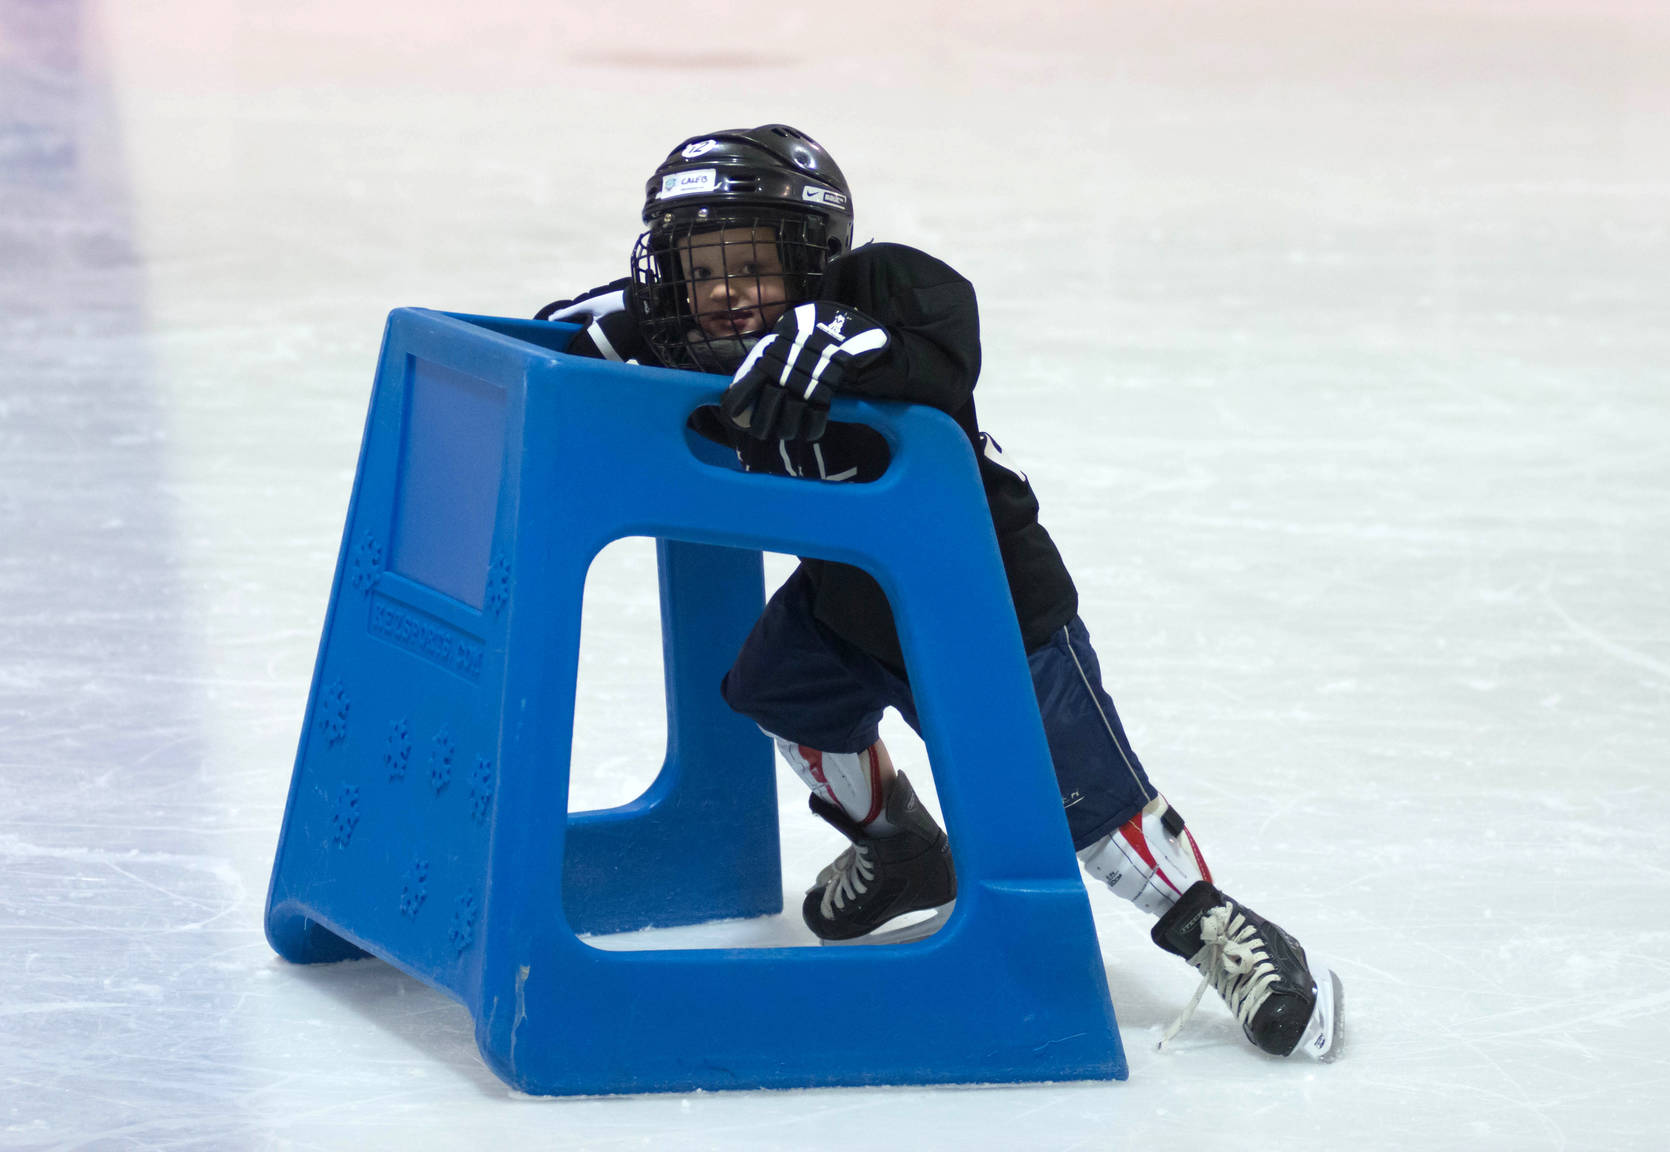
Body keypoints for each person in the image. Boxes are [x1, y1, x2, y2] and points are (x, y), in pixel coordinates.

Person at [537, 124, 1342, 1061]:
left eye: (749, 264)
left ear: (813, 260)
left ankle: (1223, 934)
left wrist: (854, 339)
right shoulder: (684, 335)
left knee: (1086, 810)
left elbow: (945, 336)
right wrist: (566, 341)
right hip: (848, 593)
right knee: (777, 692)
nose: (721, 291)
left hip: (988, 603)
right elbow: (564, 349)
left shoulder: (875, 294)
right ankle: (903, 847)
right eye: (697, 266)